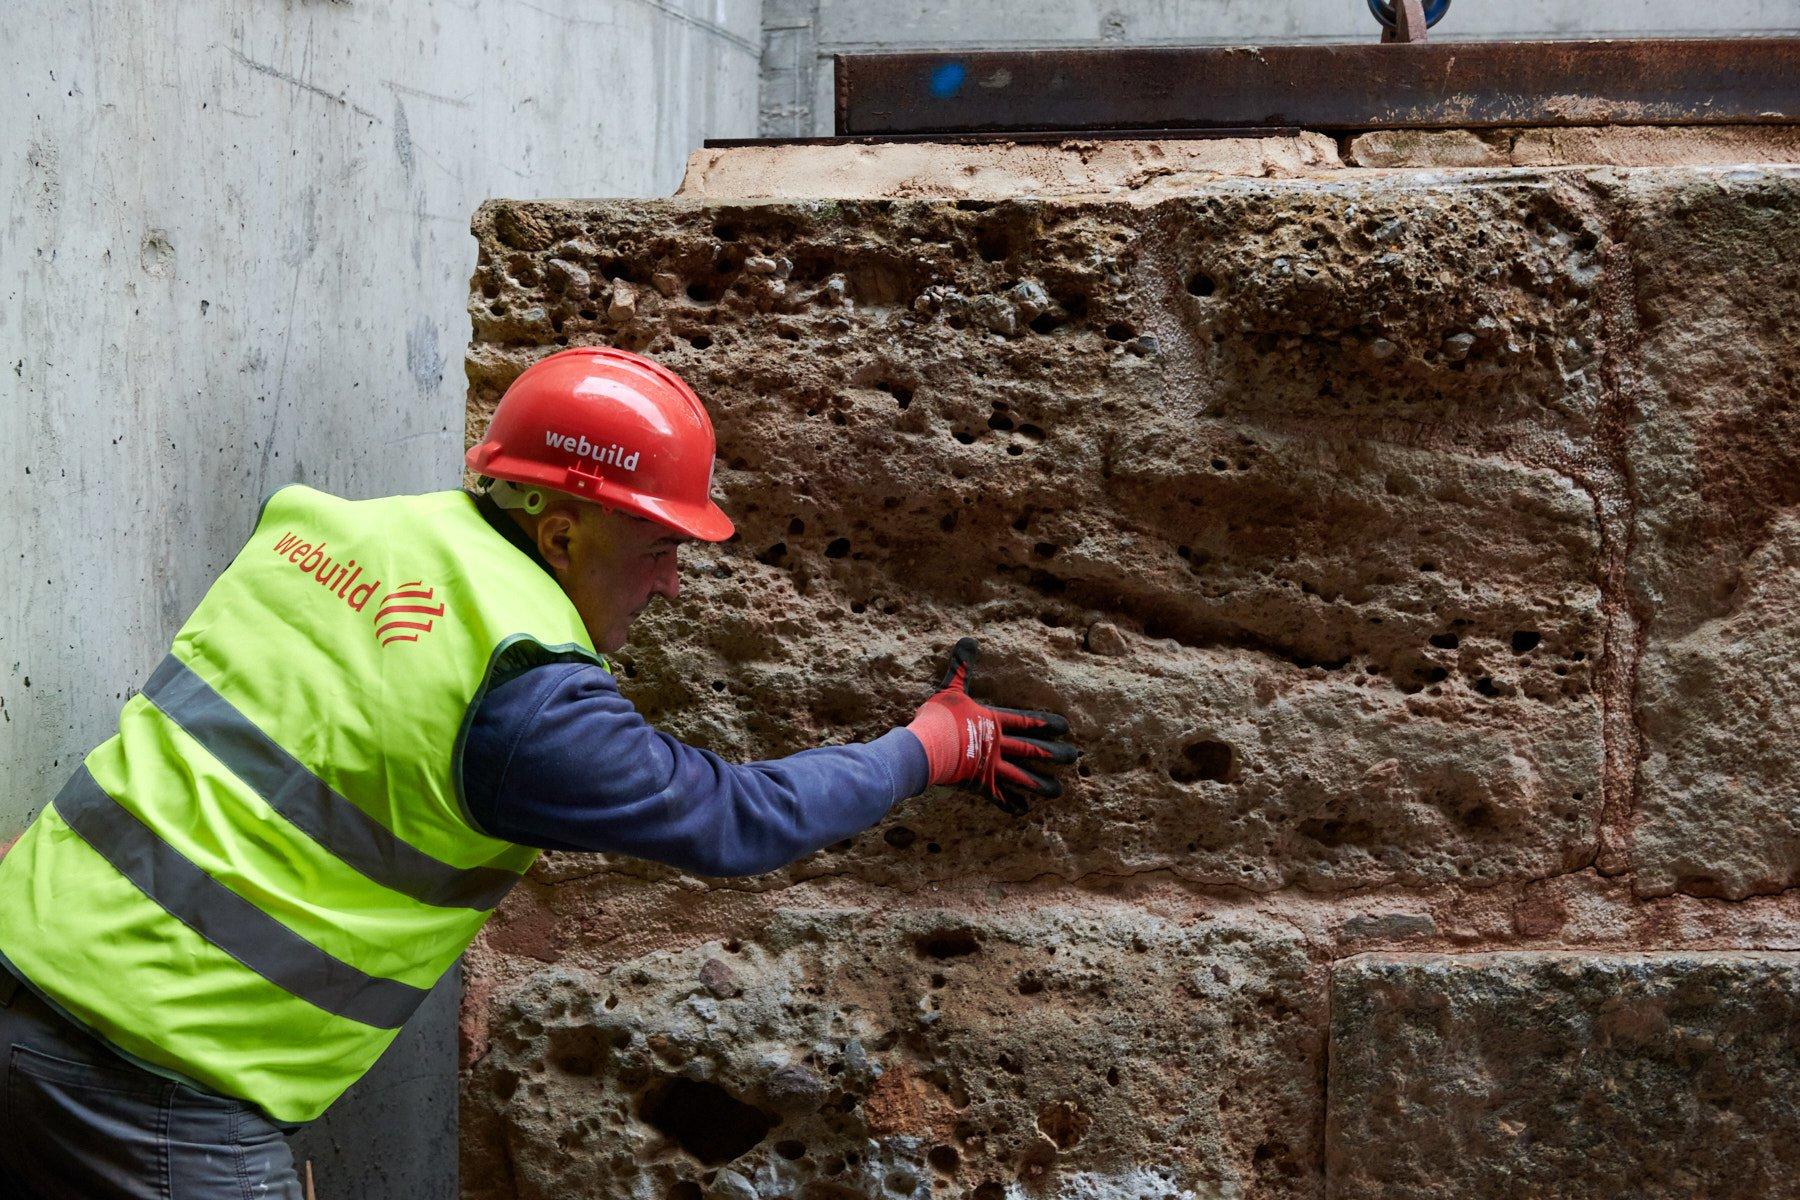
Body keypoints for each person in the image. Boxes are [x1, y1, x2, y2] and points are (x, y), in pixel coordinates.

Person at [0, 346, 1078, 1198]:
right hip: (162, 1088)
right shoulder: (523, 698)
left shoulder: (321, 533)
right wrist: (934, 744)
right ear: (561, 532)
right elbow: (740, 820)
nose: (670, 586)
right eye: (657, 549)